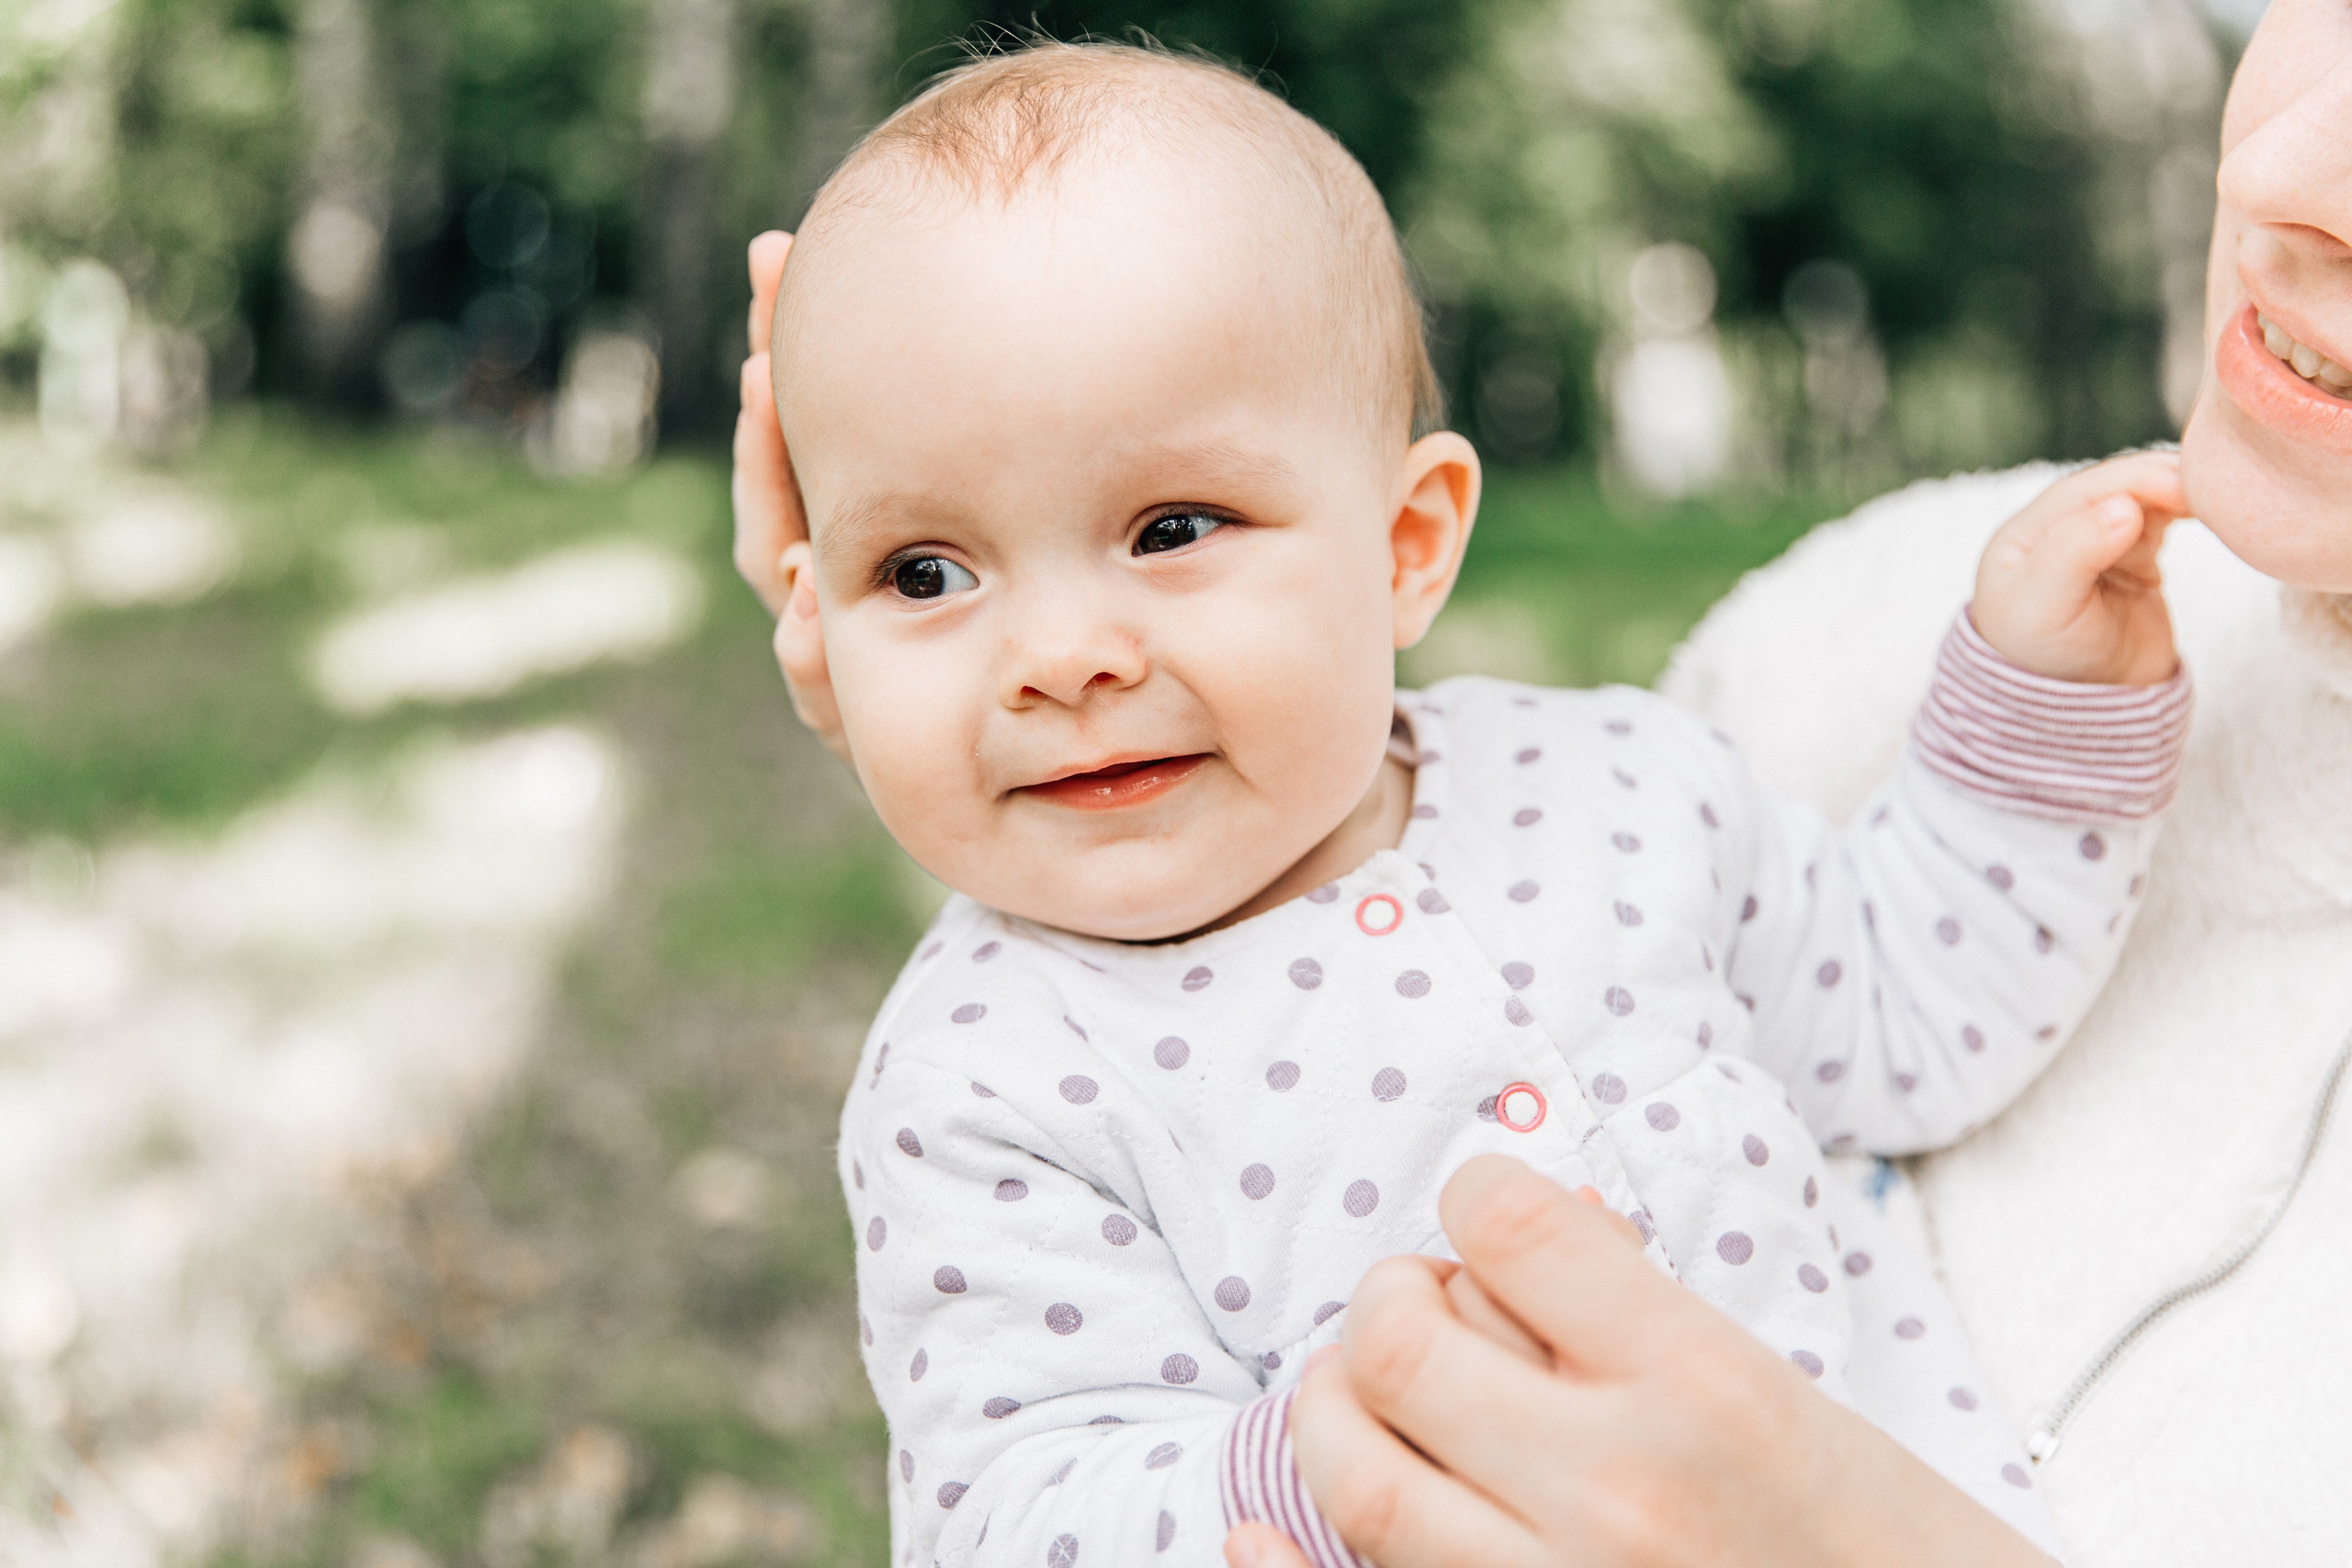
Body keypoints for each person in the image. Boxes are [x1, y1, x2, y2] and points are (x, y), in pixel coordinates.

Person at [737, 37, 2212, 1568]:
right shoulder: (986, 1081)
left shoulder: (1623, 794)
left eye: (1171, 528)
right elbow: (1018, 1514)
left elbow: (1907, 1013)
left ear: (1407, 545)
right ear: (819, 632)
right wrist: (1350, 1465)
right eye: (923, 573)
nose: (1056, 659)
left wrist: (2045, 709)